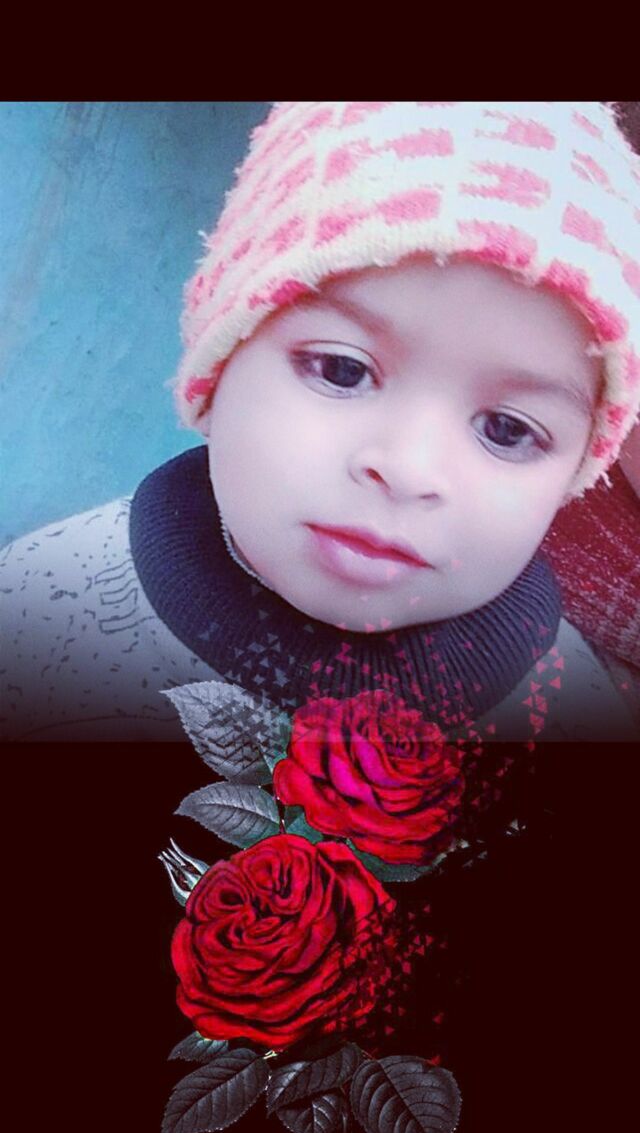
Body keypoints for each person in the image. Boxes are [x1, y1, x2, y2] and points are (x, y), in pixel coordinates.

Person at [1, 101, 639, 742]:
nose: (408, 468)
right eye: (341, 369)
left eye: (507, 430)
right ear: (217, 362)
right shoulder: (42, 605)